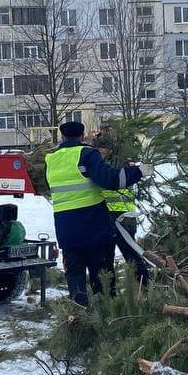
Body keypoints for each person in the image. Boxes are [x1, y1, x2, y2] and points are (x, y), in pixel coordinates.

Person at [45, 121, 144, 305]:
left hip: (66, 229)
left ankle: (78, 316)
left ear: (63, 137)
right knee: (102, 275)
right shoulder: (87, 154)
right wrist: (138, 171)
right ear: (82, 137)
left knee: (74, 275)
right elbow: (111, 179)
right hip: (92, 226)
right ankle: (106, 314)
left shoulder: (51, 159)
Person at [93, 130, 151, 287]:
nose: (98, 153)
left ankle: (144, 287)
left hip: (123, 216)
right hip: (108, 216)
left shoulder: (115, 164)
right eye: (96, 150)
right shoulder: (103, 163)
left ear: (109, 149)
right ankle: (110, 294)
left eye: (100, 150)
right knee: (106, 258)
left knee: (131, 255)